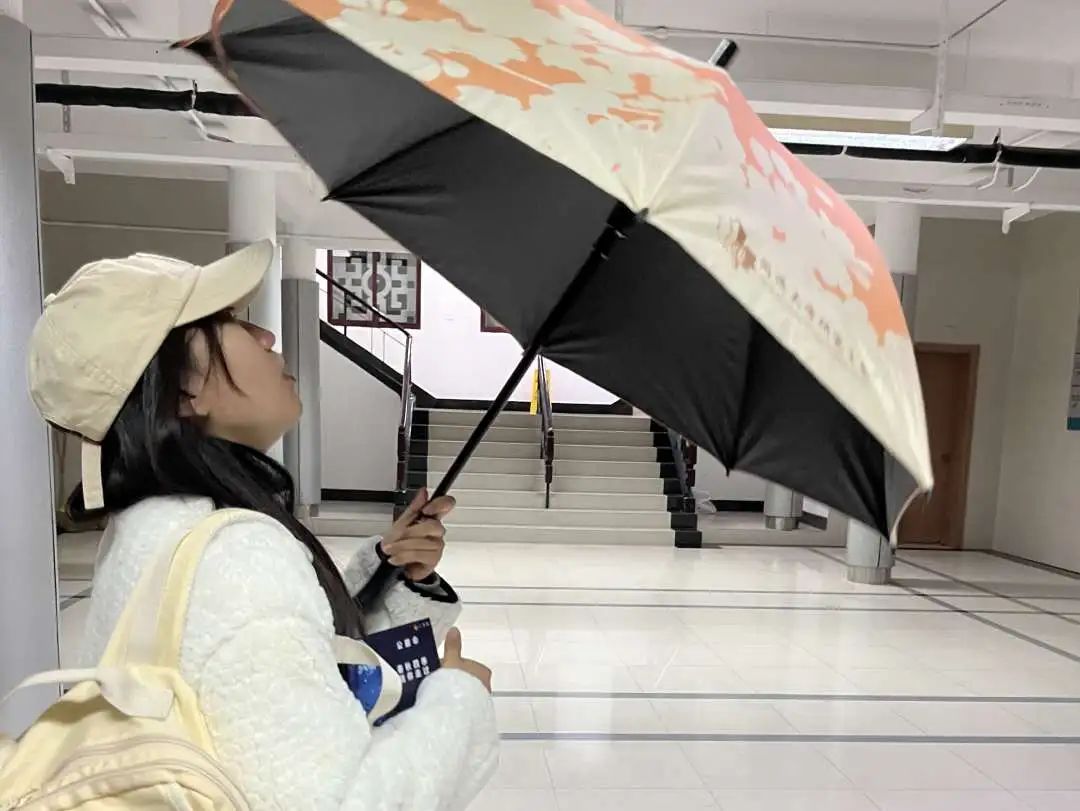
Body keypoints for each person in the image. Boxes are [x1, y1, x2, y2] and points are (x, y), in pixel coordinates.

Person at [27, 241, 499, 810]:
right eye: (228, 320)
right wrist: (460, 703)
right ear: (184, 388)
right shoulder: (231, 559)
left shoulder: (157, 525)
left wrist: (389, 571)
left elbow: (277, 668)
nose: (267, 336)